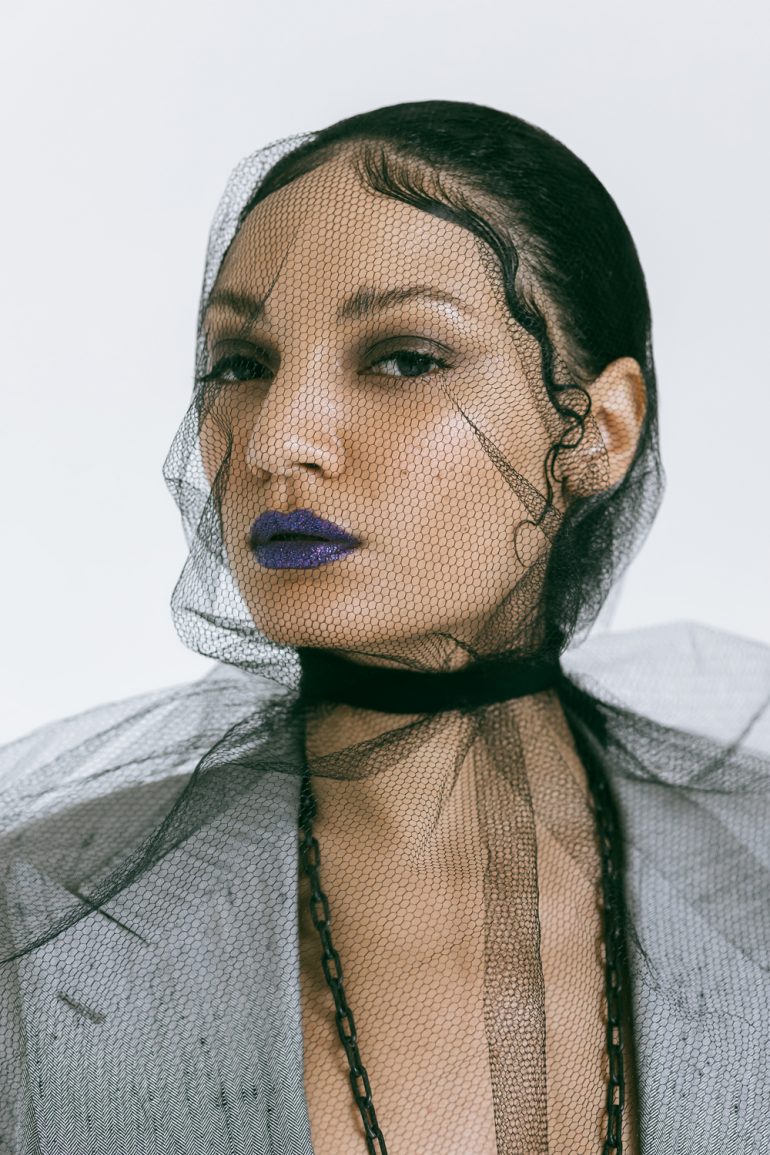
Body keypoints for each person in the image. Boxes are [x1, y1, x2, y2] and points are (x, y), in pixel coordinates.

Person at [0, 100, 768, 1155]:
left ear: (596, 431)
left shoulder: (747, 880)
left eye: (403, 359)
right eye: (240, 365)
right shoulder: (39, 923)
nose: (277, 441)